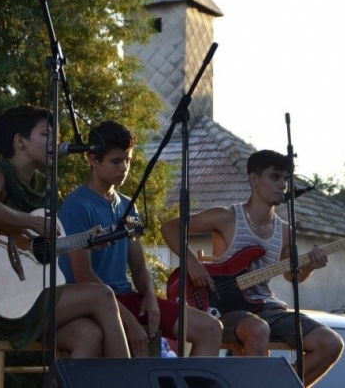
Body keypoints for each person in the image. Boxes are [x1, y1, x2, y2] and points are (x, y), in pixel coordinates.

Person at [0, 106, 130, 358]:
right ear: (20, 141)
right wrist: (32, 223)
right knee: (103, 295)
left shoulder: (42, 186)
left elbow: (38, 251)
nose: (55, 142)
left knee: (89, 334)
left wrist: (82, 241)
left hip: (27, 298)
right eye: (46, 134)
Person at [160, 149, 344, 387]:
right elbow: (170, 228)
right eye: (275, 177)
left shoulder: (286, 231)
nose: (282, 186)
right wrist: (192, 263)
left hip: (266, 306)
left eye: (285, 180)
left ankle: (276, 385)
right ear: (254, 179)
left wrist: (310, 266)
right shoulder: (226, 217)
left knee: (331, 343)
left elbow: (292, 275)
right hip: (224, 307)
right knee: (258, 329)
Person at [58, 120, 223, 358]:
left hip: (126, 296)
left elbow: (138, 265)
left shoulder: (128, 205)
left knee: (210, 328)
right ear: (94, 160)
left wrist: (149, 296)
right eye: (116, 161)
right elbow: (83, 276)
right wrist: (131, 323)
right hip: (90, 302)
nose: (123, 168)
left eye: (128, 160)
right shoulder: (77, 205)